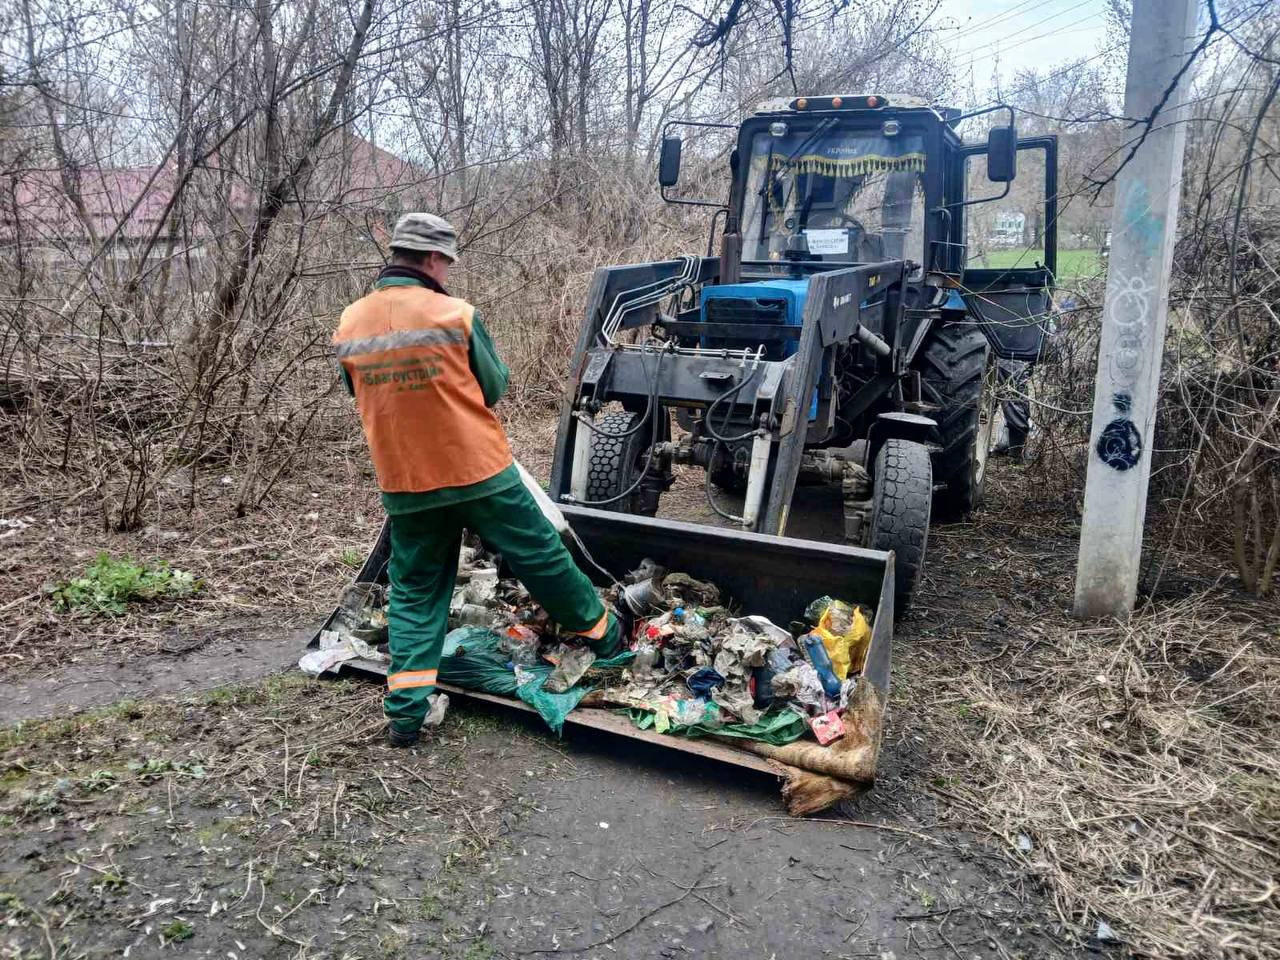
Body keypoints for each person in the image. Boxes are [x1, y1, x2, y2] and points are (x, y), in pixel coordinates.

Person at [334, 212, 621, 748]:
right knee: (540, 555)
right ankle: (605, 636)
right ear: (431, 260)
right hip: (477, 470)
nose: (447, 270)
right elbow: (493, 387)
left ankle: (405, 713)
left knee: (416, 591)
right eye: (445, 261)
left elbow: (363, 395)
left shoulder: (350, 323)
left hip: (404, 479)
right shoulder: (455, 315)